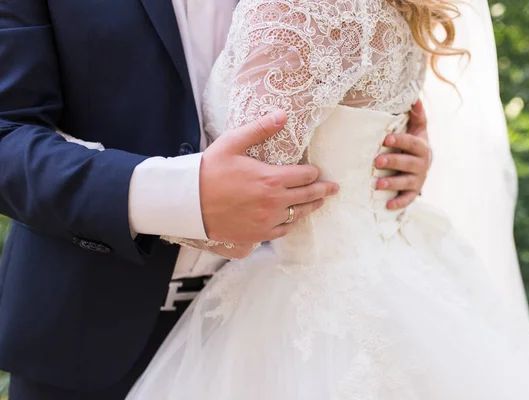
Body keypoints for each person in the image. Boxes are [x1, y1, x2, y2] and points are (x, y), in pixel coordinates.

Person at [126, 0, 529, 399]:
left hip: (310, 304)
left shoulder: (295, 9)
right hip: (399, 272)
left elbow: (241, 205)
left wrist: (133, 206)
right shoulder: (398, 9)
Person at [0, 1, 431, 399]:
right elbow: (7, 135)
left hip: (297, 342)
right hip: (86, 331)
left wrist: (391, 156)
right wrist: (175, 197)